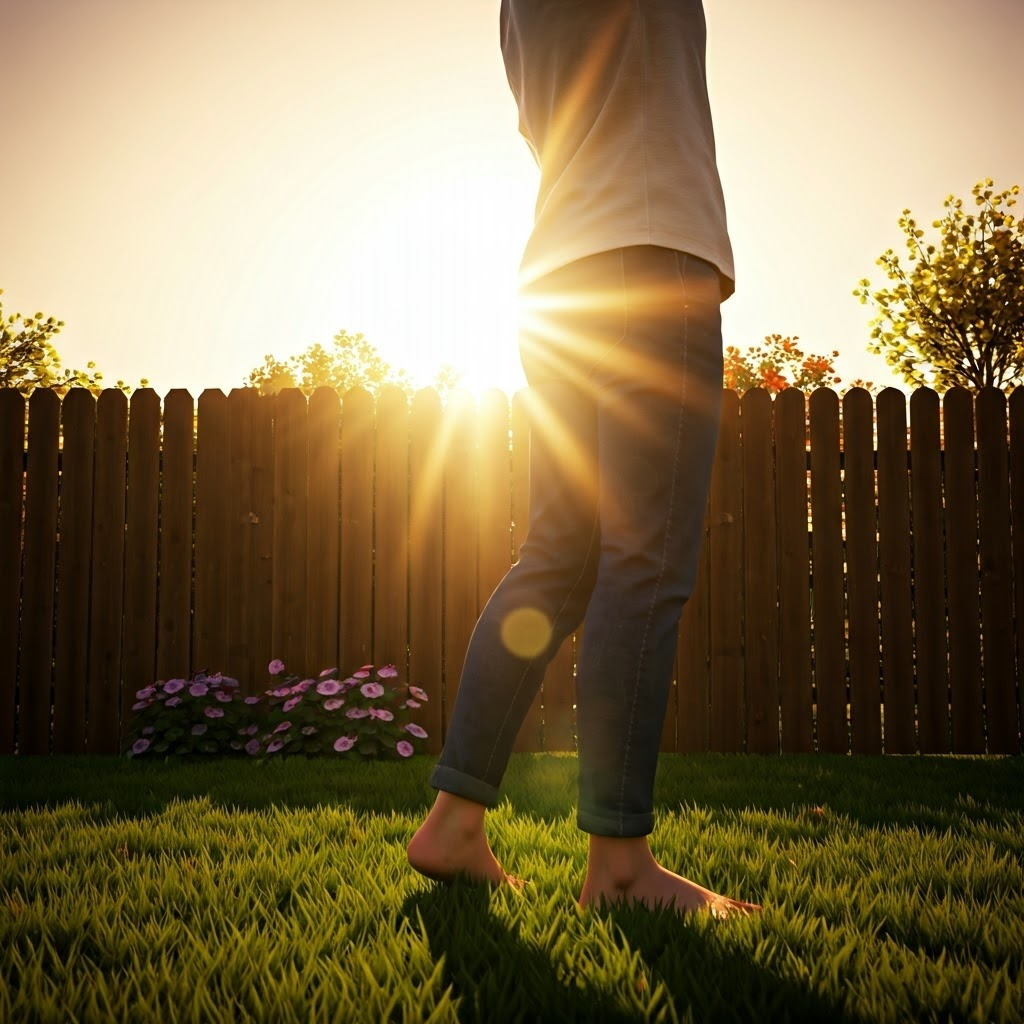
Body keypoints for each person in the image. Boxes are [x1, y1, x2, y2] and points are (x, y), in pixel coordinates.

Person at [408, 0, 761, 917]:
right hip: (651, 254)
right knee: (643, 560)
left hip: (558, 276)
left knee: (558, 557)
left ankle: (453, 820)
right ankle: (618, 864)